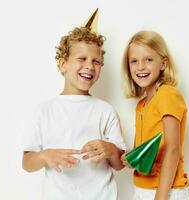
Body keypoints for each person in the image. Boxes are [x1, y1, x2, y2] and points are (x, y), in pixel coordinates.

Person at [22, 9, 125, 200]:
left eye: (96, 61)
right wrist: (45, 156)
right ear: (63, 64)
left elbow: (119, 164)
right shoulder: (45, 110)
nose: (89, 66)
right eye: (82, 59)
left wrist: (110, 150)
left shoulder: (105, 111)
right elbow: (27, 162)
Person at [121, 31, 189, 200]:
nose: (140, 67)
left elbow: (172, 149)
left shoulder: (167, 94)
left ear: (163, 63)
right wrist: (131, 159)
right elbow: (146, 154)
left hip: (166, 191)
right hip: (142, 190)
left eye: (149, 60)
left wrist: (160, 197)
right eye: (134, 61)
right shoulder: (141, 106)